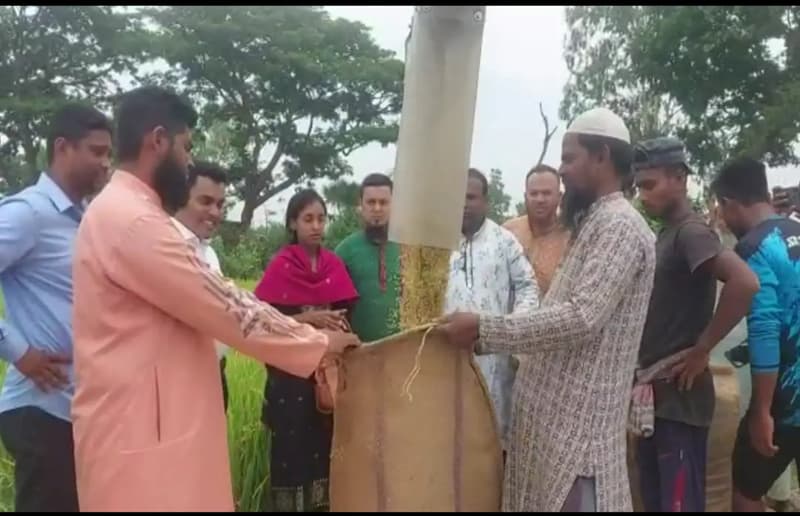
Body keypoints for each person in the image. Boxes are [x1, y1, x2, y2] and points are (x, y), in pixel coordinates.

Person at [70, 86, 359, 512]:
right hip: (141, 443)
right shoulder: (134, 222)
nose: (189, 162)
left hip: (152, 427)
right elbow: (223, 305)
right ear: (158, 141)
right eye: (186, 147)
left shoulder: (126, 212)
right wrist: (317, 343)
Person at [440, 107, 656, 512]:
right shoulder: (594, 221)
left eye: (569, 158)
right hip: (552, 432)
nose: (562, 170)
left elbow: (581, 316)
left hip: (579, 440)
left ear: (601, 156)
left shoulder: (620, 226)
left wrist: (486, 329)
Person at [632, 137, 759, 512]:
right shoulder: (668, 233)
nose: (643, 196)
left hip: (681, 400)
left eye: (650, 185)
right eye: (639, 187)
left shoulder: (691, 233)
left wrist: (702, 349)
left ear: (679, 178)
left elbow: (745, 283)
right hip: (660, 399)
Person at [0, 103, 112, 512]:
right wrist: (19, 351)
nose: (106, 164)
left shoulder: (84, 220)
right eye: (96, 152)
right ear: (62, 147)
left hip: (76, 410)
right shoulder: (29, 212)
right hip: (39, 408)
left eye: (109, 154)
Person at [254, 189, 359, 512]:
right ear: (292, 223)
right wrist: (309, 319)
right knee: (291, 451)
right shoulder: (281, 266)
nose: (316, 226)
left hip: (325, 375)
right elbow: (263, 322)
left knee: (325, 449)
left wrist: (335, 325)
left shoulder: (333, 265)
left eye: (321, 219)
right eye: (308, 219)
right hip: (289, 378)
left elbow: (346, 314)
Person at [709, 157, 800, 512]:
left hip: (789, 400)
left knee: (744, 492)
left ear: (728, 203)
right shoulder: (795, 231)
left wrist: (762, 411)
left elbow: (766, 330)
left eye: (720, 207)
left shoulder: (754, 247)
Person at [444, 167, 537, 454]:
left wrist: (513, 331)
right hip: (446, 353)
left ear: (485, 201)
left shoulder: (504, 241)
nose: (464, 204)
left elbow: (528, 287)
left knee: (492, 443)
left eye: (471, 197)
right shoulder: (436, 243)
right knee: (449, 438)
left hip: (494, 358)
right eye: (458, 197)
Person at [171, 161, 230, 411]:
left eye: (220, 204)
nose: (215, 212)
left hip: (214, 375)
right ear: (181, 199)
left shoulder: (209, 252)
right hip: (179, 383)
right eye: (205, 202)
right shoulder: (168, 246)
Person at [335, 173, 401, 343]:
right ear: (361, 205)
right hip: (359, 351)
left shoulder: (409, 249)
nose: (377, 209)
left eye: (383, 202)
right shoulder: (345, 251)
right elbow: (333, 308)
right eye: (371, 202)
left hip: (404, 350)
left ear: (394, 205)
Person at [503, 164, 570, 297]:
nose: (540, 199)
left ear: (559, 197)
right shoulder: (507, 232)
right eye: (534, 193)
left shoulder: (570, 240)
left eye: (546, 193)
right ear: (525, 197)